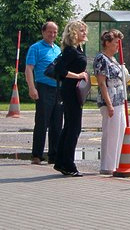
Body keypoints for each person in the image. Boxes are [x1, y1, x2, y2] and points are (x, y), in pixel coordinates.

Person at [53, 20, 89, 177]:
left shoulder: (78, 49)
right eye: (81, 30)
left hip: (74, 91)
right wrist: (78, 75)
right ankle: (68, 164)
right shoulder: (70, 51)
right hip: (69, 91)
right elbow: (59, 70)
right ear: (73, 33)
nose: (84, 33)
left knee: (69, 127)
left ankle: (61, 161)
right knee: (73, 128)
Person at [25, 21, 64, 165]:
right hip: (43, 88)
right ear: (43, 32)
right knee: (42, 122)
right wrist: (31, 87)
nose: (52, 34)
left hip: (58, 89)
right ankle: (37, 155)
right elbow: (29, 69)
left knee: (57, 123)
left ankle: (53, 155)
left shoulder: (58, 49)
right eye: (50, 32)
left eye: (55, 32)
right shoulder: (35, 48)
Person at [93, 29, 129, 174]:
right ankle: (107, 166)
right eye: (115, 43)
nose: (118, 47)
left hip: (119, 100)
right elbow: (102, 83)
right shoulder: (101, 59)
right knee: (111, 134)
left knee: (120, 132)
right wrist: (108, 104)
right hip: (110, 101)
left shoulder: (113, 59)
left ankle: (115, 163)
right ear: (107, 43)